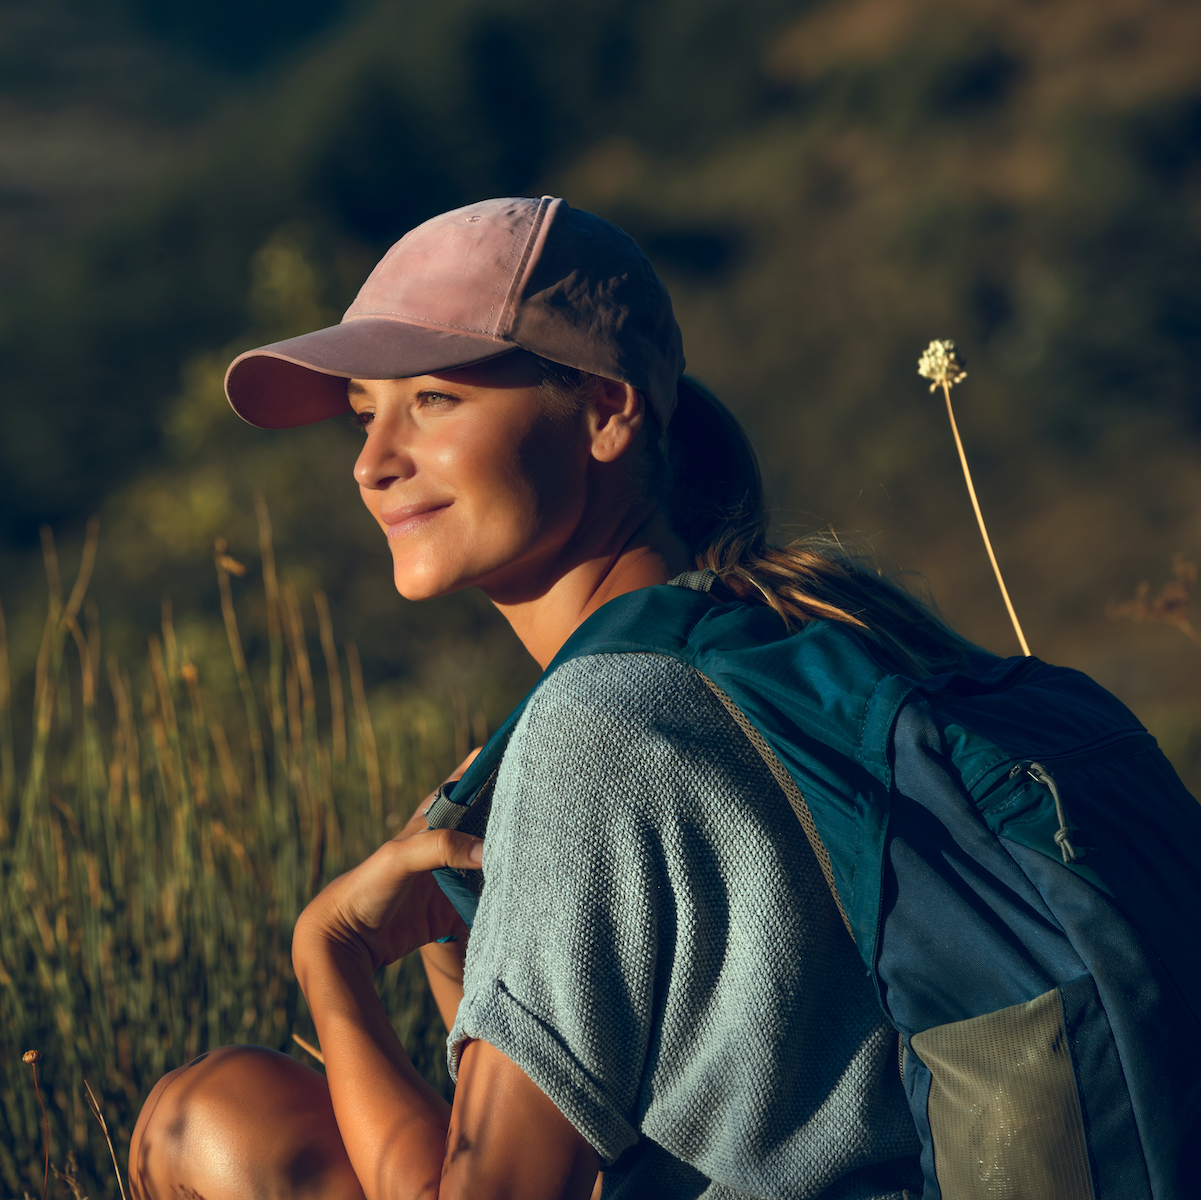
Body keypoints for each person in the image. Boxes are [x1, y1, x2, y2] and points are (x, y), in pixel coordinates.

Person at [129, 197, 980, 1199]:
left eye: (433, 401)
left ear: (606, 410)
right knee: (228, 1104)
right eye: (365, 416)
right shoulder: (807, 642)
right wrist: (470, 955)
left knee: (191, 1132)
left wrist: (332, 961)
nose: (371, 463)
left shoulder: (598, 729)